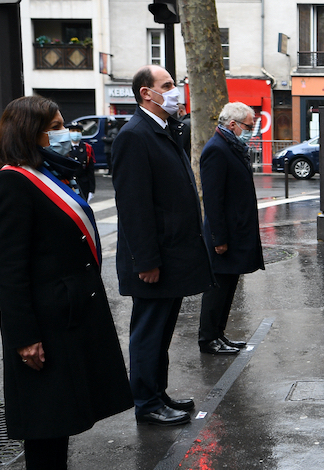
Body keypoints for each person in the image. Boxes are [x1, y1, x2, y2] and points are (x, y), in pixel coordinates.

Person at [0, 96, 133, 470]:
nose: (66, 133)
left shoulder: (44, 175)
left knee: (60, 419)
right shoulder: (12, 184)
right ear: (31, 132)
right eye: (56, 126)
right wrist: (25, 337)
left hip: (66, 316)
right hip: (42, 325)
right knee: (44, 423)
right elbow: (8, 273)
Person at [112, 65, 215, 427]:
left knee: (161, 333)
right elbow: (135, 207)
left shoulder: (165, 129)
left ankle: (158, 392)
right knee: (149, 333)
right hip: (154, 260)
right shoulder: (134, 135)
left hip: (171, 256)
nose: (175, 90)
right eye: (167, 85)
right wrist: (146, 260)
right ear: (146, 93)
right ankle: (147, 402)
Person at [198, 102, 265, 354]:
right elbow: (213, 199)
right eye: (249, 125)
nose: (251, 130)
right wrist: (219, 238)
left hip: (234, 231)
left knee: (228, 286)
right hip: (224, 233)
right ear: (233, 124)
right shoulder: (217, 149)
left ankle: (219, 334)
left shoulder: (231, 146)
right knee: (218, 288)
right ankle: (208, 338)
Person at [67, 124, 97, 201]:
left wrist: (91, 190)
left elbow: (90, 170)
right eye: (73, 131)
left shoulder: (87, 148)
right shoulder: (65, 147)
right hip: (69, 185)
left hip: (83, 185)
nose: (75, 133)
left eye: (78, 131)